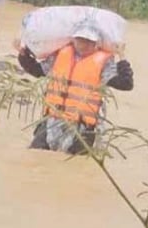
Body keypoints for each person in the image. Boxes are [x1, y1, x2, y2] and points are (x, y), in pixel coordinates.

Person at [18, 24, 134, 155]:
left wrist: (122, 56)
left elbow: (126, 84)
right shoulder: (60, 55)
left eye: (88, 41)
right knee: (35, 155)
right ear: (73, 40)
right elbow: (37, 70)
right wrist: (24, 55)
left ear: (96, 43)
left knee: (76, 166)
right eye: (80, 39)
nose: (83, 44)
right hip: (52, 120)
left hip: (83, 127)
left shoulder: (104, 62)